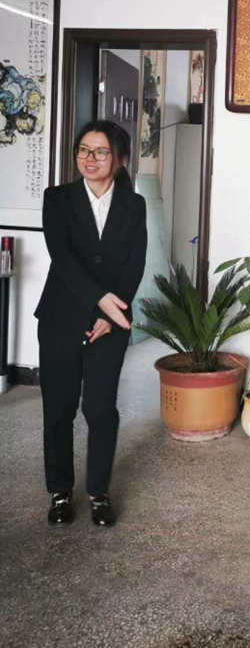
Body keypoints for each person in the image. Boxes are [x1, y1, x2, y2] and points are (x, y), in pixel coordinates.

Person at [35, 120, 147, 528]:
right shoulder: (58, 199)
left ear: (119, 159)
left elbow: (134, 265)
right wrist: (101, 303)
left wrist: (110, 316)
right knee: (59, 408)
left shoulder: (134, 205)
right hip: (60, 319)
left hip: (109, 324)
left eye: (100, 152)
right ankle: (60, 491)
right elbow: (62, 258)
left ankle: (99, 492)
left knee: (100, 409)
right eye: (83, 150)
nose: (90, 158)